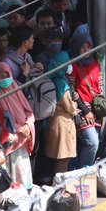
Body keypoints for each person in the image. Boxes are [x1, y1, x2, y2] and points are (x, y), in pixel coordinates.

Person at [0, 62, 35, 189]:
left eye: (7, 75)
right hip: (11, 142)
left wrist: (27, 124)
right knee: (14, 177)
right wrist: (19, 129)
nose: (5, 79)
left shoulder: (15, 87)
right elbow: (0, 118)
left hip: (23, 141)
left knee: (25, 173)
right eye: (1, 76)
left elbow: (29, 111)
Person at [67, 33, 102, 168]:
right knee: (92, 142)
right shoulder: (73, 66)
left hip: (96, 111)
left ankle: (84, 179)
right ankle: (83, 174)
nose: (87, 50)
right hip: (82, 111)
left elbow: (99, 87)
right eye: (83, 48)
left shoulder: (94, 63)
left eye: (89, 47)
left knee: (93, 143)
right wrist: (86, 110)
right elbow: (71, 90)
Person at [43, 51, 77, 183]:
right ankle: (59, 188)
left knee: (58, 158)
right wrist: (75, 106)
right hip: (63, 124)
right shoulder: (62, 84)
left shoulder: (51, 79)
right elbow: (69, 106)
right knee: (63, 159)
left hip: (53, 122)